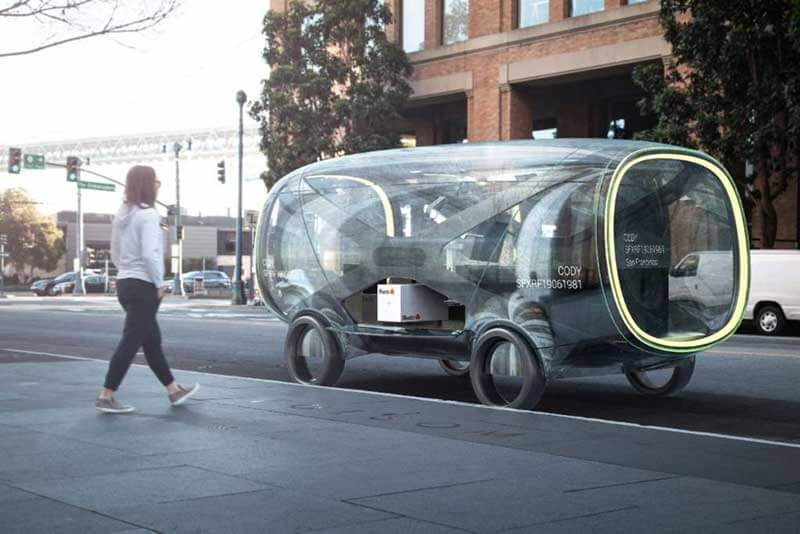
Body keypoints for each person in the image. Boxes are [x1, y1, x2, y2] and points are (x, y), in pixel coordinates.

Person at [96, 165, 198, 414]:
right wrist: (159, 283)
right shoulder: (149, 215)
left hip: (125, 282)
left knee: (151, 339)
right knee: (131, 340)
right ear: (146, 185)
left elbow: (115, 252)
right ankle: (106, 395)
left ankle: (173, 390)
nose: (157, 185)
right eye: (155, 181)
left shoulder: (122, 214)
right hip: (144, 285)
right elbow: (151, 254)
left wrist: (126, 271)